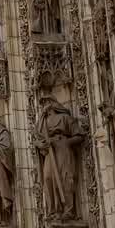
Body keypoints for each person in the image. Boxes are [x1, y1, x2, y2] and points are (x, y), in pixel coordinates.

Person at [34, 91, 84, 220]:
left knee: (65, 177)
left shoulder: (65, 118)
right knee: (48, 178)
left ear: (52, 103)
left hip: (63, 149)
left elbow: (79, 136)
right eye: (42, 104)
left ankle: (68, 209)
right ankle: (53, 210)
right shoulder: (42, 123)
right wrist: (40, 144)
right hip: (50, 151)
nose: (43, 106)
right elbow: (38, 137)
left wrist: (64, 143)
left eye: (45, 102)